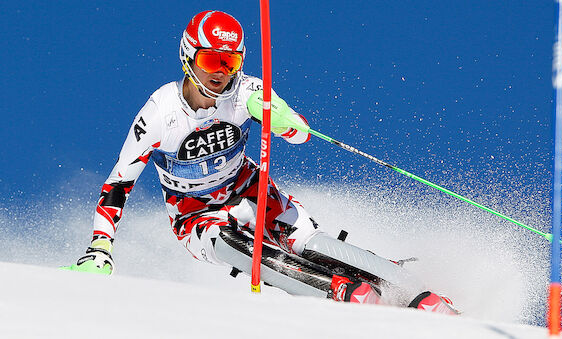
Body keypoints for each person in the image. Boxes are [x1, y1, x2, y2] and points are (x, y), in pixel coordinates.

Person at [63, 10, 458, 315]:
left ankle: (414, 291)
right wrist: (101, 246)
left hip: (252, 188)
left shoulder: (247, 90)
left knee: (309, 242)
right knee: (231, 245)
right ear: (188, 57)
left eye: (229, 63)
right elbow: (119, 183)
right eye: (210, 61)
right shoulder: (160, 113)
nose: (220, 73)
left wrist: (278, 115)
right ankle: (343, 292)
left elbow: (301, 133)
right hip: (197, 213)